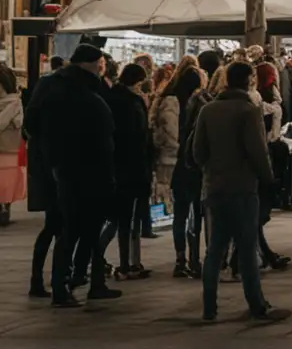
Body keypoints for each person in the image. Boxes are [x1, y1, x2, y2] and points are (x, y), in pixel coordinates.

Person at [193, 61, 287, 323]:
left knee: (215, 250)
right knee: (246, 248)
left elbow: (197, 151)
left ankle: (209, 307)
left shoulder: (208, 110)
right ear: (248, 81)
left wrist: (212, 168)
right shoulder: (249, 111)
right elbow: (257, 150)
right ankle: (256, 304)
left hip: (214, 187)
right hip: (243, 187)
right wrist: (268, 177)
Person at [25, 43, 117, 306]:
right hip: (85, 168)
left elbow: (31, 123)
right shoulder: (90, 92)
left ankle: (49, 281)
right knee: (80, 227)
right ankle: (67, 282)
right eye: (100, 65)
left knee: (58, 227)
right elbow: (103, 134)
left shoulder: (49, 84)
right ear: (91, 64)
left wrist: (45, 153)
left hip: (53, 166)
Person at [153, 63, 204, 278]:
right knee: (192, 213)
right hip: (186, 163)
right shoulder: (188, 103)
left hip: (179, 162)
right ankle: (189, 259)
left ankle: (182, 258)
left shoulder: (167, 100)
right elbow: (175, 135)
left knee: (182, 214)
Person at [105, 62, 153, 282]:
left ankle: (127, 262)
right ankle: (125, 263)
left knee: (121, 219)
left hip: (120, 165)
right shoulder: (130, 102)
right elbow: (138, 135)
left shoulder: (112, 97)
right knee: (124, 219)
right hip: (131, 166)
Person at [0, 63, 20, 228]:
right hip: (8, 145)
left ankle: (5, 207)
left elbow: (3, 122)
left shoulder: (14, 102)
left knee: (7, 181)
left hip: (8, 147)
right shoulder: (15, 103)